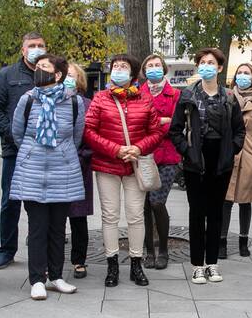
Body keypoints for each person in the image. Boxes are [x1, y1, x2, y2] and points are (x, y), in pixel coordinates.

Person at [84, 54, 165, 287]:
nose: (118, 69)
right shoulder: (100, 98)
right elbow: (89, 131)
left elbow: (157, 132)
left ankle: (136, 264)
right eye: (115, 66)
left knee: (136, 215)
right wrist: (116, 149)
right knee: (110, 215)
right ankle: (112, 264)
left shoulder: (145, 100)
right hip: (107, 164)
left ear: (132, 73)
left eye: (124, 66)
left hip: (135, 165)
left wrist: (138, 148)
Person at [10, 53, 85, 300]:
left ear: (57, 75)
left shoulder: (73, 102)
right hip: (32, 171)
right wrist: (34, 152)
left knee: (57, 228)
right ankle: (37, 279)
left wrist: (61, 153)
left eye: (44, 67)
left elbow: (76, 135)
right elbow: (18, 133)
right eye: (38, 66)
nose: (38, 70)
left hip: (63, 171)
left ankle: (56, 276)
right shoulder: (28, 99)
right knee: (37, 227)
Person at [168, 48, 245, 284]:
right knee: (196, 213)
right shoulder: (188, 95)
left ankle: (212, 263)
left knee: (215, 213)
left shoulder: (229, 97)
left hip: (220, 161)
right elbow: (175, 129)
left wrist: (231, 150)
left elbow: (240, 130)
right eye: (202, 62)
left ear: (220, 68)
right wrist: (187, 151)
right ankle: (197, 265)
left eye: (211, 63)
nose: (206, 66)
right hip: (195, 161)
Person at [0, 32, 47, 270]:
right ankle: (7, 250)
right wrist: (13, 134)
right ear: (23, 50)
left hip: (45, 151)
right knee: (11, 201)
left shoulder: (52, 73)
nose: (36, 49)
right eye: (32, 45)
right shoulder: (6, 75)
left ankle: (38, 247)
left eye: (40, 45)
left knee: (41, 202)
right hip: (16, 150)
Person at [221, 63, 252, 258]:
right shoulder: (225, 96)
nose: (243, 76)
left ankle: (243, 241)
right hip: (228, 153)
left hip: (250, 154)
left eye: (247, 73)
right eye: (239, 72)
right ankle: (222, 241)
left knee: (245, 201)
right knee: (225, 201)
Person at [140, 54, 182, 269]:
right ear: (144, 70)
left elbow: (176, 125)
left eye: (157, 65)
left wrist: (154, 123)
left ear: (164, 69)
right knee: (145, 206)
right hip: (144, 156)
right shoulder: (138, 93)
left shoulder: (175, 94)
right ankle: (149, 251)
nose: (154, 68)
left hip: (168, 157)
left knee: (157, 202)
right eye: (150, 66)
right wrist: (161, 121)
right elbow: (135, 124)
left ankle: (163, 249)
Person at [65, 64, 95, 279]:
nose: (67, 79)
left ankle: (79, 260)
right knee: (54, 219)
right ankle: (53, 258)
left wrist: (82, 155)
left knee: (78, 217)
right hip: (56, 168)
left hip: (79, 167)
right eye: (63, 75)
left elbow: (93, 136)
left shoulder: (88, 104)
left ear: (79, 80)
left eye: (71, 75)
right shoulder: (50, 102)